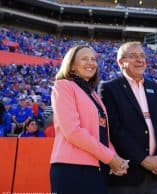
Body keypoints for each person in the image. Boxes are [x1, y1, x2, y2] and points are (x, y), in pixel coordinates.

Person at [49, 45, 129, 194]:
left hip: (97, 169)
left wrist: (116, 160)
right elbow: (73, 132)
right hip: (72, 169)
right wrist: (110, 158)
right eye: (84, 59)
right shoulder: (63, 86)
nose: (91, 63)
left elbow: (102, 133)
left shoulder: (93, 95)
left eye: (93, 59)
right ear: (71, 65)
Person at [101, 42, 157, 194]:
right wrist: (143, 160)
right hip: (127, 177)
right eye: (134, 56)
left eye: (142, 56)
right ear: (121, 62)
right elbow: (115, 130)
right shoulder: (109, 89)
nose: (140, 60)